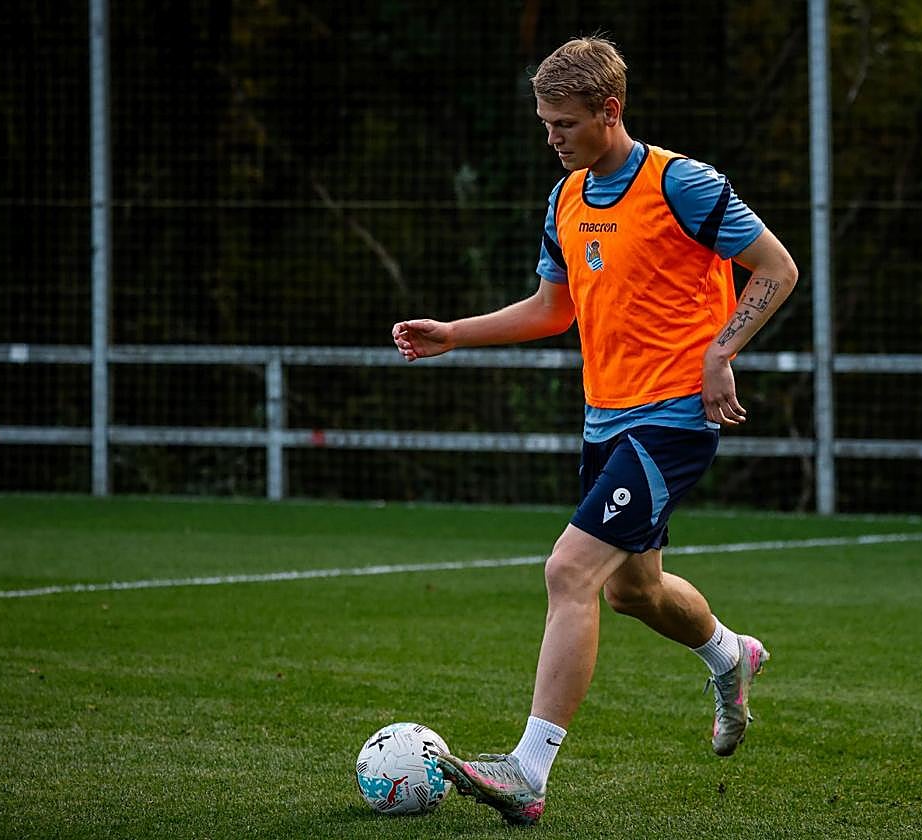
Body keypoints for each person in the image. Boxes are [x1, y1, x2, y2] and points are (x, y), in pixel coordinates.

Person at [391, 35, 798, 827]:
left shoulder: (683, 183)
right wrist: (456, 333)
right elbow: (554, 308)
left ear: (610, 111)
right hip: (607, 420)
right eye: (545, 123)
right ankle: (730, 654)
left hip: (676, 417)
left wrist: (722, 352)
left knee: (568, 570)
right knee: (632, 591)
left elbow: (776, 268)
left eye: (565, 124)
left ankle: (528, 771)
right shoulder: (566, 200)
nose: (553, 138)